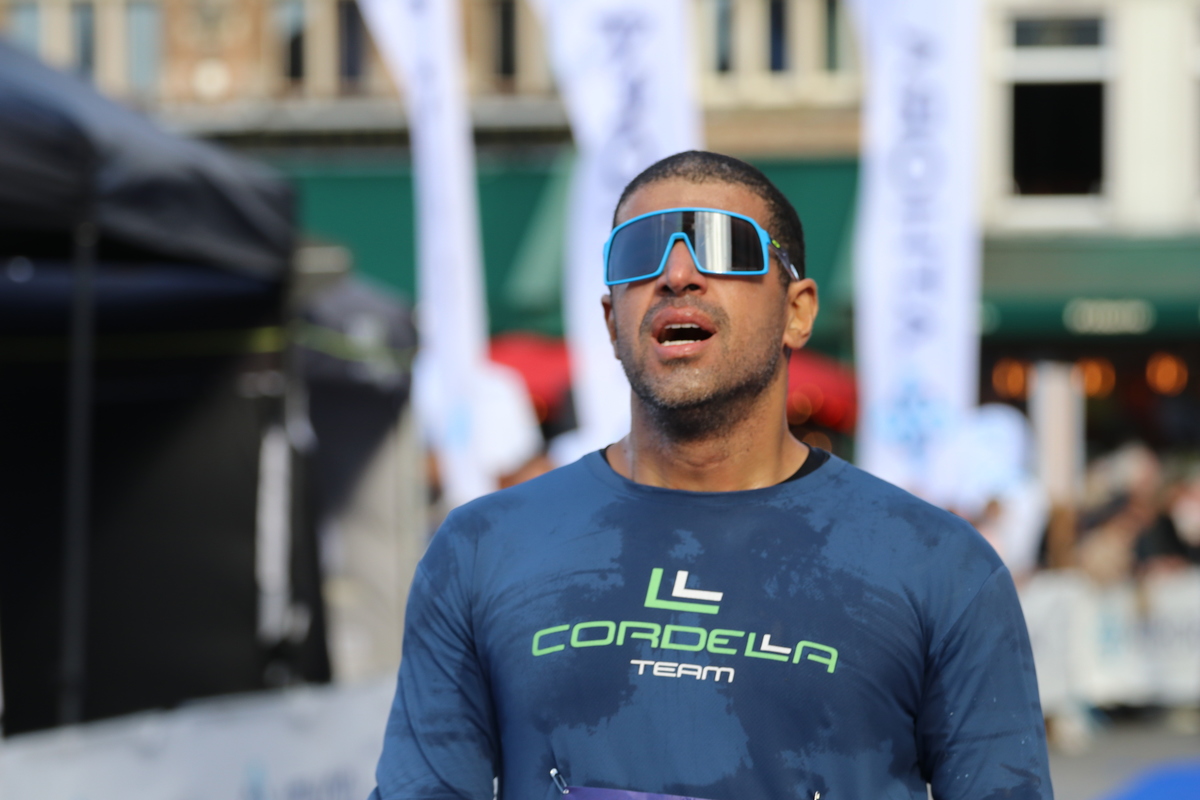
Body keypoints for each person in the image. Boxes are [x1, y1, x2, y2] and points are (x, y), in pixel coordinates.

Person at [370, 151, 1052, 800]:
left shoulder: (940, 566)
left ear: (797, 311)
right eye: (638, 254)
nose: (677, 275)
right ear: (610, 320)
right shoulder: (481, 549)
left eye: (725, 247)